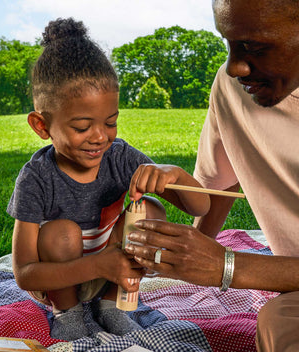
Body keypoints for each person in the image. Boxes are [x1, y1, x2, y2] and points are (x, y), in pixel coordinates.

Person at [7, 18, 210, 341]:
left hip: (113, 273)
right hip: (60, 279)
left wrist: (174, 174)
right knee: (61, 232)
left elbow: (199, 205)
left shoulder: (120, 157)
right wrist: (99, 266)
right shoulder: (36, 178)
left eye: (111, 122)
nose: (100, 137)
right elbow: (25, 274)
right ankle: (69, 314)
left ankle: (112, 305)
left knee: (151, 210)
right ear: (41, 126)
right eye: (82, 126)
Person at [125, 0, 299, 351]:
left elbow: (223, 265)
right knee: (279, 322)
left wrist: (225, 266)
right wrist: (187, 259)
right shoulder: (235, 87)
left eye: (255, 47)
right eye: (228, 43)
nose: (234, 67)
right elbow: (217, 187)